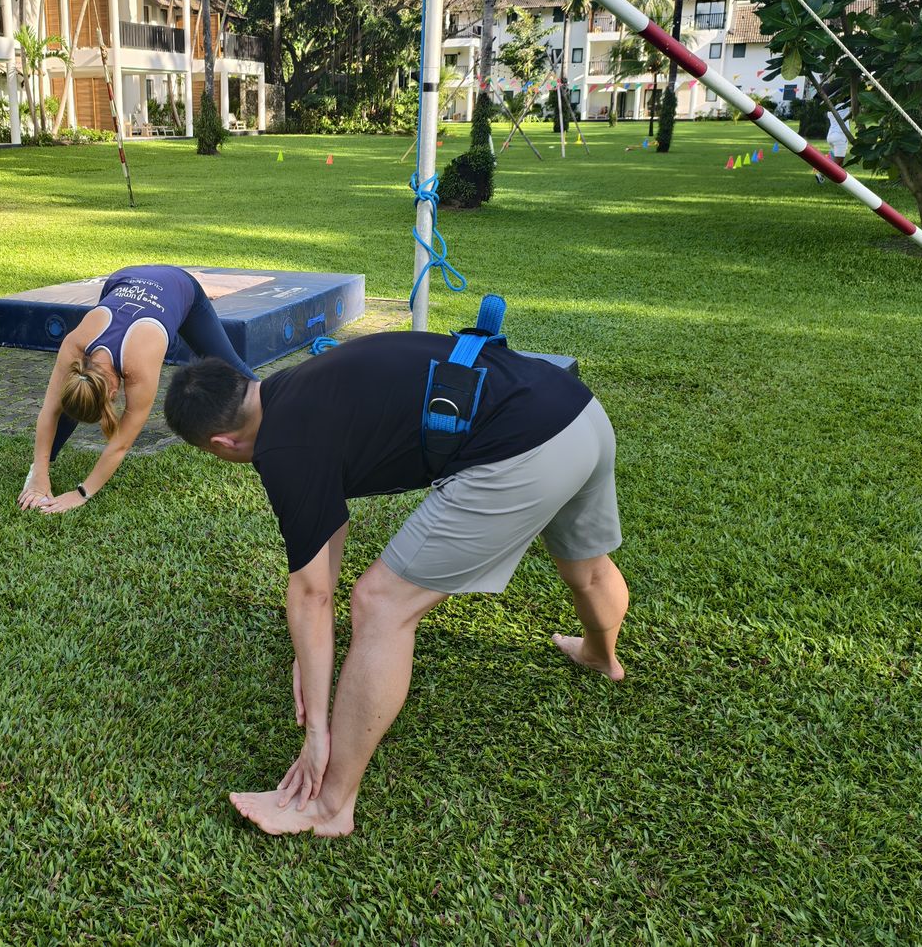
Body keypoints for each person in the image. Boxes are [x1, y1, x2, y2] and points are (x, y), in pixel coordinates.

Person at [163, 332, 628, 837]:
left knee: (381, 604)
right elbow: (323, 539)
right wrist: (308, 648)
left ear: (222, 444)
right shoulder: (296, 385)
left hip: (522, 449)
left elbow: (312, 595)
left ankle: (329, 806)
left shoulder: (283, 447)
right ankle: (600, 655)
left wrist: (316, 730)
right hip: (576, 410)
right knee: (586, 568)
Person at [20, 264, 256, 514]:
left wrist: (81, 494)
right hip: (124, 280)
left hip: (178, 285)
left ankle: (274, 406)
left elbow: (121, 444)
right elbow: (50, 409)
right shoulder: (75, 345)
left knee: (232, 367)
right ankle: (42, 470)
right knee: (79, 394)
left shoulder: (139, 365)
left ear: (113, 395)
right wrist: (38, 474)